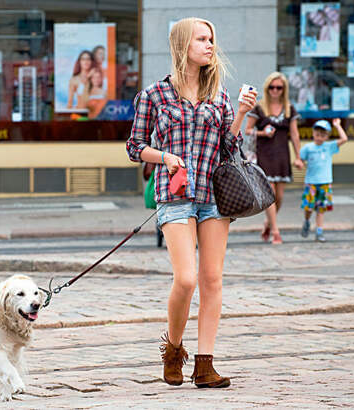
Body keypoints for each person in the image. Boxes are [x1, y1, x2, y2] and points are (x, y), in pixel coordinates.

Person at [126, 17, 257, 388]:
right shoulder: (154, 95)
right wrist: (165, 157)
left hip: (214, 197)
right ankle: (174, 349)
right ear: (183, 44)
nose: (209, 45)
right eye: (202, 39)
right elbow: (134, 148)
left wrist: (242, 114)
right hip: (176, 197)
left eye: (212, 38)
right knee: (185, 279)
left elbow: (230, 149)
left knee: (212, 279)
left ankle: (204, 364)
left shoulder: (220, 94)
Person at [245, 72, 303, 245]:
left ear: (284, 89)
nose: (275, 91)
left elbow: (294, 134)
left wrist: (298, 157)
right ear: (267, 88)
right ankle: (276, 232)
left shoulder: (289, 108)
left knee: (279, 197)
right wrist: (263, 132)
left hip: (282, 155)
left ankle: (268, 223)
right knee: (270, 194)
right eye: (272, 87)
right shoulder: (259, 108)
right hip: (264, 155)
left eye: (279, 87)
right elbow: (247, 130)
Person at [300, 119, 348, 242]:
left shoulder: (330, 147)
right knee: (309, 208)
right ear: (313, 133)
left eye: (323, 135)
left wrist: (337, 126)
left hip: (325, 183)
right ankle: (306, 222)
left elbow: (344, 139)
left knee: (321, 209)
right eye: (317, 134)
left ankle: (319, 231)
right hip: (311, 183)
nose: (319, 138)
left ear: (327, 136)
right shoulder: (308, 148)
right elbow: (300, 159)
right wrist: (298, 163)